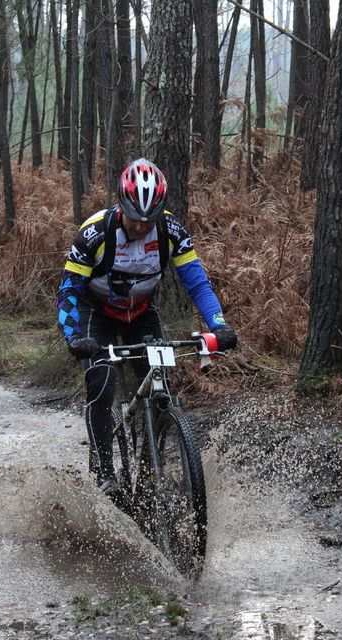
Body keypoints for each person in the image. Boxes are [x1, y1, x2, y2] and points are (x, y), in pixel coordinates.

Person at [56, 158, 237, 496]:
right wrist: (74, 336)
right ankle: (105, 471)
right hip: (96, 313)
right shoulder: (94, 234)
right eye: (134, 219)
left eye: (148, 220)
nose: (141, 227)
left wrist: (218, 325)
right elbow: (68, 291)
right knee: (102, 380)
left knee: (158, 383)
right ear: (120, 205)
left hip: (141, 312)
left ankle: (151, 466)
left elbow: (196, 282)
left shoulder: (171, 231)